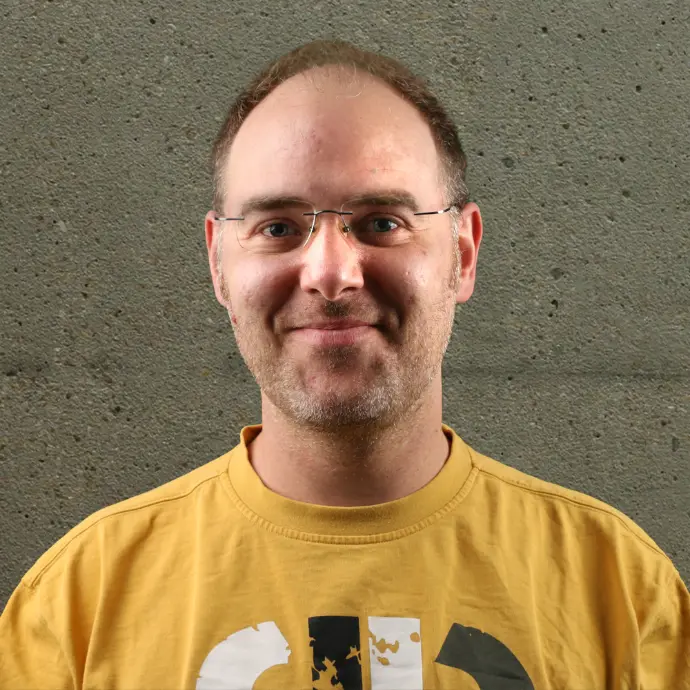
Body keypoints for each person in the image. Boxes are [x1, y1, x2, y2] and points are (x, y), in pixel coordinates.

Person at [1, 39, 688, 690]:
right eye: (277, 227)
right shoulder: (77, 606)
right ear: (218, 263)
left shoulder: (622, 594)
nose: (330, 273)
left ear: (463, 252)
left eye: (382, 222)